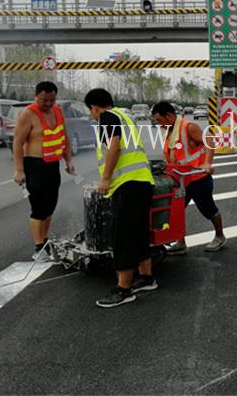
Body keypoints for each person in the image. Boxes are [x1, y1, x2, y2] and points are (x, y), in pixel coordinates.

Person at [85, 88, 156, 308]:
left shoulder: (107, 117)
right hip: (142, 182)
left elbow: (113, 146)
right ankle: (146, 278)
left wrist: (105, 178)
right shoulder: (125, 115)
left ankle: (124, 289)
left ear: (94, 107)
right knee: (138, 232)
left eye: (91, 111)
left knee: (123, 237)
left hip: (127, 184)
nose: (92, 115)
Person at [152, 101, 226, 253]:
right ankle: (181, 243)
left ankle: (220, 236)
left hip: (197, 178)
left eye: (159, 121)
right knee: (175, 211)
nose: (159, 125)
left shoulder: (188, 127)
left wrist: (207, 163)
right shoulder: (170, 131)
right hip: (180, 180)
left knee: (208, 209)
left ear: (169, 115)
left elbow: (209, 141)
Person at [12, 81, 75, 261]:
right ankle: (39, 248)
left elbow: (64, 137)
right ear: (36, 96)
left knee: (49, 207)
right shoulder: (28, 114)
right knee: (39, 208)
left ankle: (45, 241)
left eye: (51, 100)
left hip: (52, 165)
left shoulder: (57, 111)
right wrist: (19, 170)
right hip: (34, 165)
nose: (48, 104)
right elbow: (17, 144)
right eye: (44, 100)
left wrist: (69, 160)